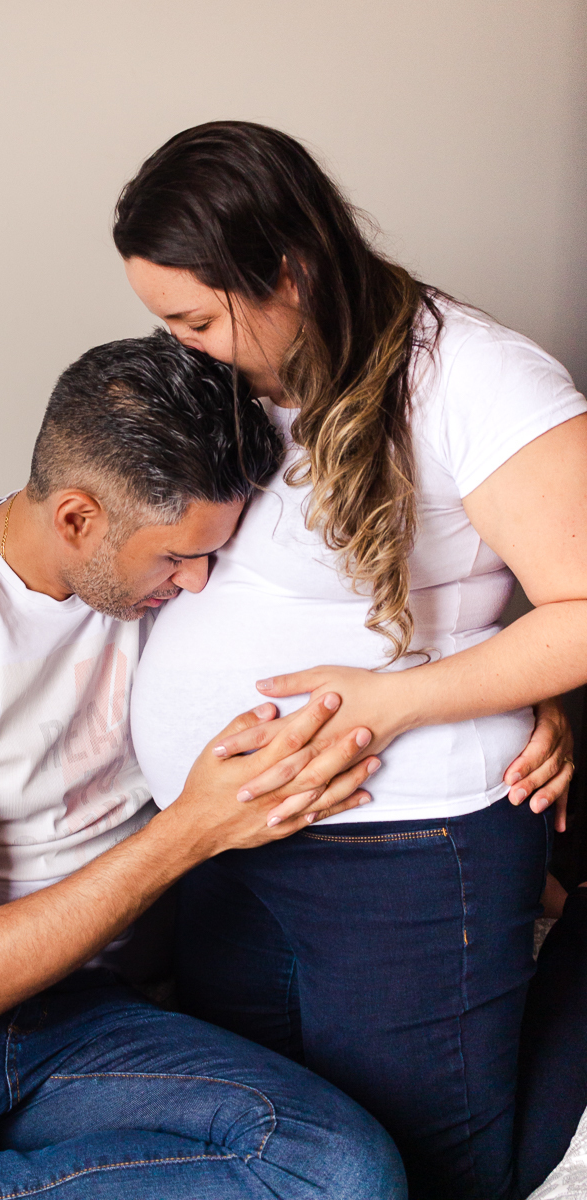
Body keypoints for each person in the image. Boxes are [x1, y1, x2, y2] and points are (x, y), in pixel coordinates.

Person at [0, 333, 407, 1200]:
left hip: (78, 1009)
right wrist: (187, 833)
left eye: (210, 555)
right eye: (173, 556)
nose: (197, 584)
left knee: (343, 1173)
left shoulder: (188, 590)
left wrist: (525, 715)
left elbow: (373, 655)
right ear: (76, 517)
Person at [113, 121, 587, 1200]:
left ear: (287, 270)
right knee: (287, 1151)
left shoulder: (477, 378)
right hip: (229, 834)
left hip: (404, 846)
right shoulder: (236, 378)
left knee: (437, 1171)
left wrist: (402, 700)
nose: (180, 346)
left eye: (194, 317)